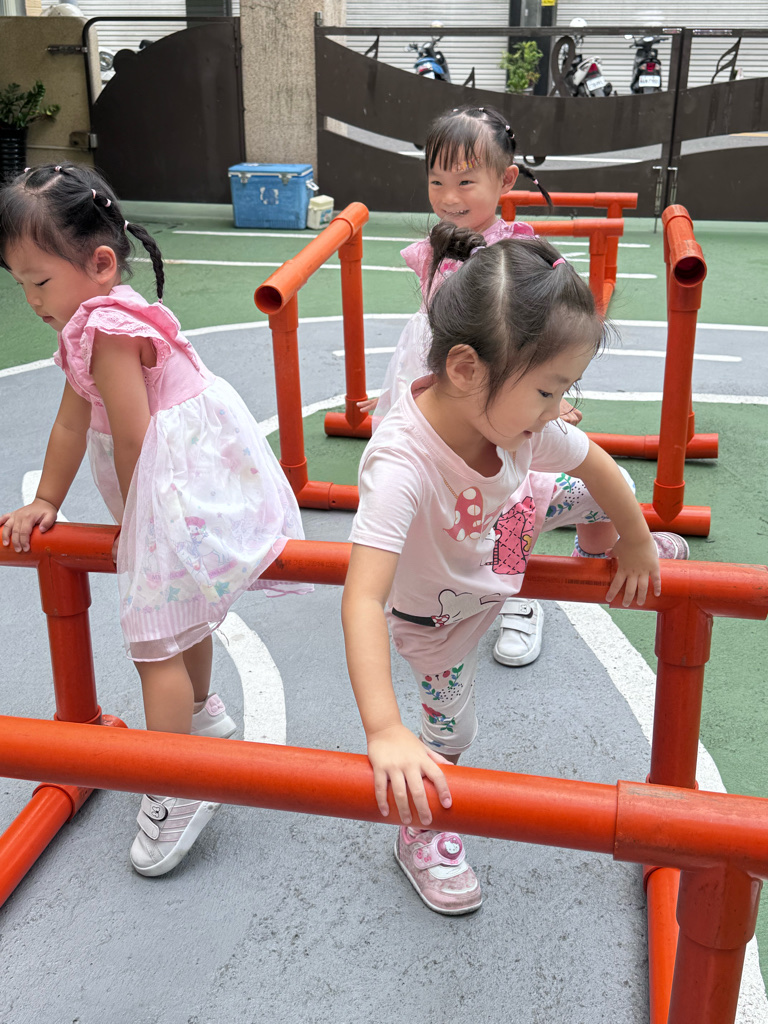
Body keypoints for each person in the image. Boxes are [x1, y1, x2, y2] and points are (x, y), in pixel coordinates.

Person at [341, 224, 688, 916]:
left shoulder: (514, 423)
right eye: (547, 392)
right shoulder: (402, 464)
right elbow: (361, 600)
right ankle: (420, 833)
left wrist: (635, 543)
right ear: (466, 369)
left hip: (506, 533)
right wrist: (383, 729)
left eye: (563, 390)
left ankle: (595, 550)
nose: (557, 411)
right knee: (450, 735)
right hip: (440, 620)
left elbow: (598, 463)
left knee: (600, 491)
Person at [0, 164, 307, 877]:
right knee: (183, 614)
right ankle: (202, 715)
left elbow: (134, 437)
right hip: (169, 489)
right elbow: (72, 422)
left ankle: (176, 785)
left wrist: (142, 530)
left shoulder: (108, 330)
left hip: (165, 494)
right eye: (19, 284)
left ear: (100, 264)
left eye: (39, 281)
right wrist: (48, 499)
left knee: (153, 641)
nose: (31, 300)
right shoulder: (99, 316)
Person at [363, 104, 581, 670]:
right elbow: (427, 332)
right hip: (445, 380)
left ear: (505, 180)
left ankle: (518, 596)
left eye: (465, 181)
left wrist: (553, 400)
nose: (448, 196)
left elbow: (555, 333)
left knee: (510, 491)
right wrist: (395, 393)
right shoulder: (437, 244)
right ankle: (436, 578)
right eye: (436, 181)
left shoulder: (518, 251)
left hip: (501, 387)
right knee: (444, 489)